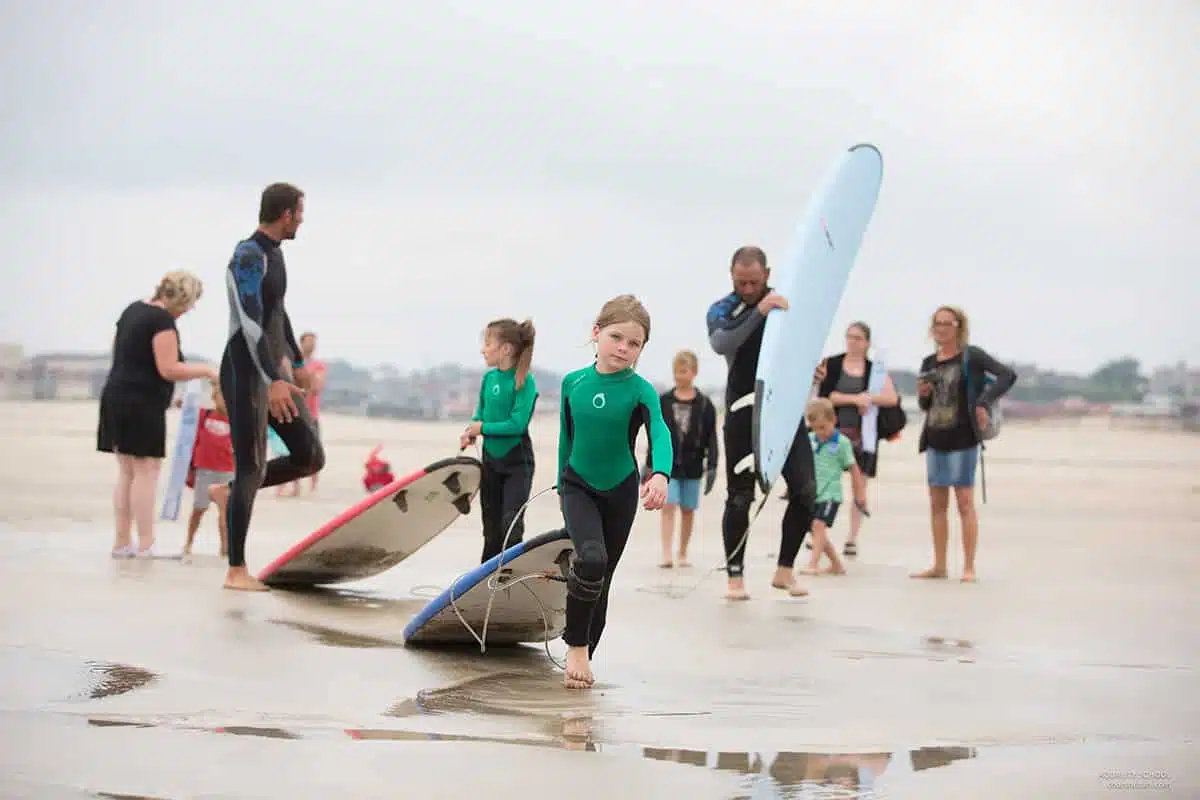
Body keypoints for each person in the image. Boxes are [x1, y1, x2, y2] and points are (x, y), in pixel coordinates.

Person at [557, 294, 673, 689]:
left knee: (602, 575)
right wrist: (561, 487)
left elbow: (659, 430)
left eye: (634, 343)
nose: (623, 348)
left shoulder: (641, 391)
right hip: (577, 484)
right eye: (616, 337)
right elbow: (565, 438)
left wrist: (660, 473)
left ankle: (587, 653)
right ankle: (575, 647)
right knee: (590, 558)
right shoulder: (573, 383)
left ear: (642, 349)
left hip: (621, 490)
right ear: (596, 333)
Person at [219, 182, 325, 592]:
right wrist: (274, 378)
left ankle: (227, 495)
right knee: (251, 464)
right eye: (300, 212)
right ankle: (235, 570)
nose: (302, 219)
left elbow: (277, 313)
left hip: (272, 373)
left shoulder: (274, 256)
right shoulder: (248, 255)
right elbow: (249, 323)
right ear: (285, 214)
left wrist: (296, 363)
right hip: (245, 372)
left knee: (310, 455)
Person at [705, 245, 818, 600]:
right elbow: (723, 343)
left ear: (767, 274)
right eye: (742, 282)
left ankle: (785, 570)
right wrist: (758, 311)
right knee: (740, 496)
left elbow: (800, 342)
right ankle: (734, 577)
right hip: (742, 410)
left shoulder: (786, 302)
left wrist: (809, 368)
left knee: (806, 490)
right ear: (732, 276)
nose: (748, 288)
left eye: (754, 282)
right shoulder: (723, 308)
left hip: (783, 409)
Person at [97, 270, 217, 558]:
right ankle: (147, 544)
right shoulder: (161, 321)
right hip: (142, 403)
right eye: (190, 303)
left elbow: (119, 350)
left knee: (127, 472)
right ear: (182, 299)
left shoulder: (133, 310)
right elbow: (169, 368)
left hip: (116, 395)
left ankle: (122, 542)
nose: (189, 310)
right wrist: (208, 371)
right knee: (146, 471)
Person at [913, 305, 1016, 583]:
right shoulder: (928, 363)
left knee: (964, 502)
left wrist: (983, 402)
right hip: (935, 436)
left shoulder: (972, 357)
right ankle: (939, 565)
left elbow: (1008, 376)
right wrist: (923, 394)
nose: (941, 329)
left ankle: (969, 566)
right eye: (937, 324)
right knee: (937, 504)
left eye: (947, 323)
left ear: (959, 326)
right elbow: (926, 405)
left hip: (963, 437)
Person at [815, 321, 899, 557]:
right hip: (831, 432)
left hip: (863, 435)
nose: (852, 342)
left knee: (859, 485)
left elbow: (892, 398)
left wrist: (869, 398)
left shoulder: (875, 370)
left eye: (858, 338)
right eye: (849, 337)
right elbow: (825, 396)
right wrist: (854, 399)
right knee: (825, 483)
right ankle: (820, 531)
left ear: (867, 343)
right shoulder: (832, 364)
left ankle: (852, 537)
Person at [459, 318, 538, 562]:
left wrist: (481, 428)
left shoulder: (525, 381)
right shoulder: (488, 379)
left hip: (517, 462)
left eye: (487, 343)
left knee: (511, 526)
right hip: (491, 461)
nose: (483, 349)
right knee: (490, 527)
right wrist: (470, 431)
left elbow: (517, 425)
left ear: (505, 349)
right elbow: (479, 413)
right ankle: (486, 579)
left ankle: (510, 576)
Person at [647, 349, 719, 568]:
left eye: (684, 371)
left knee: (687, 510)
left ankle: (683, 552)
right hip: (668, 467)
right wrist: (649, 464)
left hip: (694, 465)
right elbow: (655, 436)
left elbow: (712, 438)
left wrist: (713, 465)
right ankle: (667, 553)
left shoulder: (705, 405)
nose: (680, 376)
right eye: (677, 371)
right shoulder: (663, 401)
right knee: (668, 506)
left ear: (694, 372)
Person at [798, 398, 867, 576]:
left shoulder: (842, 443)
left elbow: (854, 469)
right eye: (815, 428)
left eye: (823, 427)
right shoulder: (810, 440)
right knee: (816, 531)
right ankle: (836, 565)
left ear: (833, 420)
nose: (820, 432)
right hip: (813, 493)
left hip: (831, 494)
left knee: (818, 526)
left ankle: (813, 564)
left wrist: (859, 495)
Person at [184, 384, 234, 557]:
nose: (226, 401)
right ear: (215, 397)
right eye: (223, 396)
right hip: (204, 470)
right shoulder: (204, 415)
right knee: (199, 508)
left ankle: (226, 549)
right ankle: (188, 542)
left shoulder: (237, 421)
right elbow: (191, 433)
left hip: (227, 472)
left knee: (225, 513)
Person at [279, 331, 327, 497]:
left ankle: (313, 487)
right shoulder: (291, 361)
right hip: (293, 411)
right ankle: (295, 486)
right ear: (301, 343)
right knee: (293, 450)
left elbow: (317, 387)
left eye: (314, 342)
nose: (312, 346)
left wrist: (309, 377)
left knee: (315, 449)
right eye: (309, 342)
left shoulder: (318, 365)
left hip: (311, 414)